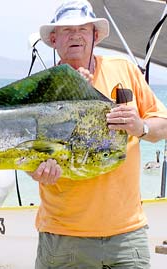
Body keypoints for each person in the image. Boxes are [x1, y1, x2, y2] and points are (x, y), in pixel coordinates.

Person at [29, 0, 167, 268]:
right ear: (54, 39)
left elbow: (162, 124)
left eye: (83, 28)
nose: (76, 35)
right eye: (67, 30)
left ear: (95, 36)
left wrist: (141, 127)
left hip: (127, 236)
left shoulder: (124, 70)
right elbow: (25, 153)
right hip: (63, 237)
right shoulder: (41, 87)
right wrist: (36, 171)